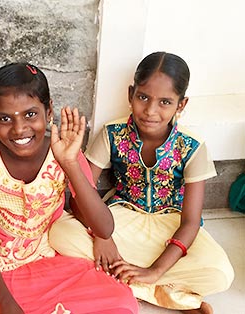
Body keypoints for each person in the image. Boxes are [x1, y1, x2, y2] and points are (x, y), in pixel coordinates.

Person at [0, 62, 138, 314]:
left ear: (49, 110)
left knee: (121, 303)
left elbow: (104, 227)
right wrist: (5, 301)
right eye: (5, 119)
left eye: (30, 114)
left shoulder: (65, 153)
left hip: (48, 259)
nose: (19, 128)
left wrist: (69, 163)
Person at [50, 52, 235, 314]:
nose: (150, 111)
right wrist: (101, 235)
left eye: (165, 102)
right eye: (143, 97)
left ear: (181, 105)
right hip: (119, 219)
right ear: (130, 94)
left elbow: (191, 222)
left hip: (170, 226)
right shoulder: (112, 133)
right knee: (60, 233)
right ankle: (172, 294)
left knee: (220, 273)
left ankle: (134, 283)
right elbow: (82, 193)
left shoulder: (192, 146)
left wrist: (155, 270)